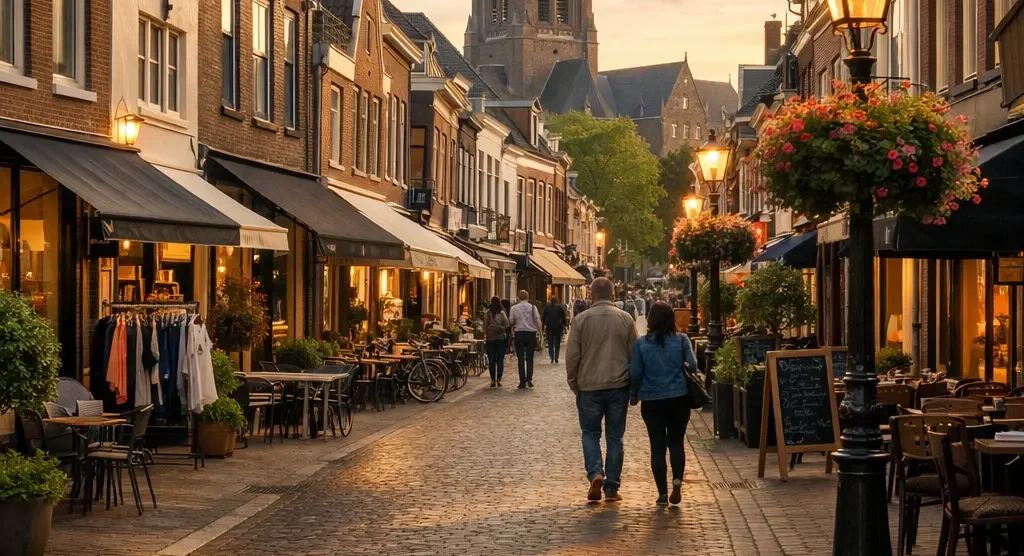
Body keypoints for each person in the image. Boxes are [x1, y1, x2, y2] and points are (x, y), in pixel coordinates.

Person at [565, 277, 638, 502]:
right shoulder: (625, 319)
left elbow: (572, 356)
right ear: (613, 295)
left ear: (591, 295)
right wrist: (634, 387)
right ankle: (612, 487)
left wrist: (574, 383)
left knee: (590, 434)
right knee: (615, 437)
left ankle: (596, 473)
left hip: (589, 386)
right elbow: (634, 356)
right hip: (618, 385)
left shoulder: (581, 320)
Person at [630, 301, 699, 506]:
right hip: (679, 398)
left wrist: (634, 393)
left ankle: (662, 493)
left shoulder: (641, 344)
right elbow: (693, 365)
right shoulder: (681, 339)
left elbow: (635, 373)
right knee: (677, 442)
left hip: (652, 401)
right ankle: (677, 482)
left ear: (650, 319)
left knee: (657, 446)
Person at [509, 290, 543, 389]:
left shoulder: (514, 308)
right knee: (530, 358)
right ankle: (529, 379)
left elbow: (511, 321)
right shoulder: (533, 307)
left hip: (519, 334)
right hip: (530, 334)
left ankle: (522, 381)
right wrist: (540, 333)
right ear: (527, 297)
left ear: (518, 297)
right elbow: (538, 320)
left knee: (520, 358)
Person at [483, 296, 510, 388]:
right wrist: (501, 328)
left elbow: (485, 326)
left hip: (490, 339)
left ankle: (492, 380)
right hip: (500, 339)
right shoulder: (502, 312)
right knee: (500, 360)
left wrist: (487, 332)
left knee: (491, 360)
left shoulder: (487, 312)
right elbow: (507, 323)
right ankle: (499, 379)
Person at [542, 296, 568, 364]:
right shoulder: (559, 307)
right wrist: (565, 325)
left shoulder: (547, 307)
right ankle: (556, 356)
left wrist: (542, 327)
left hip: (549, 327)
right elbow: (563, 316)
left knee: (550, 342)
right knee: (557, 342)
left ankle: (551, 356)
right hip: (558, 327)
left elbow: (543, 317)